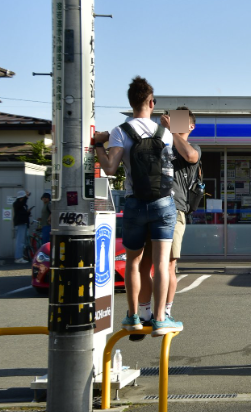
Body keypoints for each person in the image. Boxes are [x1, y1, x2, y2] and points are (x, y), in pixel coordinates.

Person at [93, 76, 182, 337]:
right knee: (162, 262)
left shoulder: (120, 131)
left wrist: (99, 144)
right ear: (151, 103)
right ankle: (161, 318)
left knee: (133, 262)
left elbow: (109, 169)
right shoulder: (164, 133)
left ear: (131, 103)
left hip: (134, 203)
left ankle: (133, 317)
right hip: (164, 203)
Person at [129, 107, 201, 342]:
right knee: (143, 264)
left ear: (191, 126)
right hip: (150, 204)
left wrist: (171, 131)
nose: (174, 123)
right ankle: (145, 313)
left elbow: (191, 157)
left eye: (181, 121)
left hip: (175, 208)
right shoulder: (161, 140)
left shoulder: (191, 147)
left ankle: (165, 313)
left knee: (168, 265)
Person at [13, 190, 32, 264]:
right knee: (20, 242)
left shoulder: (23, 205)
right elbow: (20, 204)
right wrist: (26, 197)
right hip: (20, 224)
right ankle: (18, 257)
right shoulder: (16, 204)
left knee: (22, 242)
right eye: (23, 197)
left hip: (23, 224)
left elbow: (24, 213)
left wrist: (28, 212)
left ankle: (20, 257)